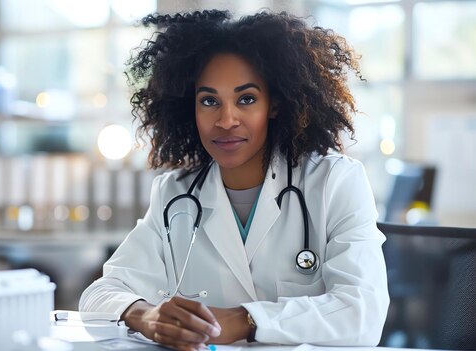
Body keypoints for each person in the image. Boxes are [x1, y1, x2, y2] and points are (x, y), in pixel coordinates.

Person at [79, 9, 389, 350]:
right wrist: (145, 315)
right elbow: (100, 295)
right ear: (190, 108)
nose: (226, 120)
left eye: (246, 99)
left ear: (273, 104)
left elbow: (363, 313)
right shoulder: (176, 194)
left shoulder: (334, 181)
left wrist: (245, 320)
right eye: (209, 100)